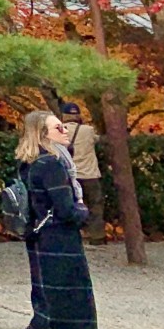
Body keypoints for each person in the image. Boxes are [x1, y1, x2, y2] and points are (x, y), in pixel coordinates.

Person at [0, 111, 131, 329]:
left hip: (40, 242)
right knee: (64, 310)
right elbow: (66, 210)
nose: (64, 129)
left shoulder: (28, 164)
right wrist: (84, 211)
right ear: (43, 134)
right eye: (57, 127)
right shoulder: (52, 164)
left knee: (60, 310)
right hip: (60, 244)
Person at [60, 102, 105, 244]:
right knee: (95, 206)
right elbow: (98, 140)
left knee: (69, 207)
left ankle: (72, 236)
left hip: (69, 176)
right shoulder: (88, 130)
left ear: (64, 116)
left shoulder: (59, 131)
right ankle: (97, 236)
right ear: (78, 115)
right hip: (90, 174)